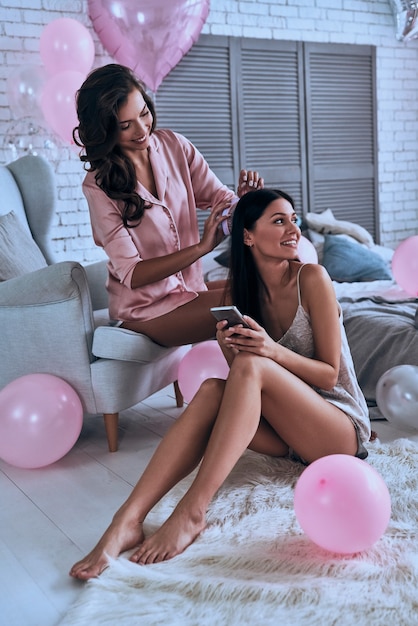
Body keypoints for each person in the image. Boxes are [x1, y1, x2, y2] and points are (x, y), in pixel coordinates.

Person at [70, 188, 371, 581]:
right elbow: (243, 386)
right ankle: (126, 519)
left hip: (337, 429)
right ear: (247, 235)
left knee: (252, 366)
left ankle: (193, 510)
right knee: (213, 388)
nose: (293, 229)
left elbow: (329, 374)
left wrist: (267, 352)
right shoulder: (242, 294)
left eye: (293, 219)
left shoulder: (311, 277)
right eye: (279, 220)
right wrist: (231, 346)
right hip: (288, 435)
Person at [73, 63, 263, 346]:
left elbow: (221, 200)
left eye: (144, 114)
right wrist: (200, 249)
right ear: (105, 129)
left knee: (270, 288)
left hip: (188, 290)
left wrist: (244, 203)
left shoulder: (175, 145)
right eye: (125, 126)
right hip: (143, 311)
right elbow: (132, 273)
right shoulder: (98, 186)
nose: (141, 130)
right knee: (257, 302)